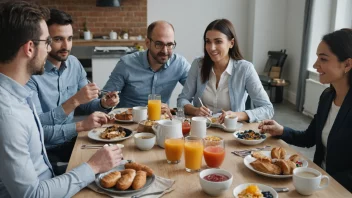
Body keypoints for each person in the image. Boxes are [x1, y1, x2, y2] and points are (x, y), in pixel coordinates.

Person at [0, 1, 123, 197]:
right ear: (30, 48)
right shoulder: (8, 113)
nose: (52, 48)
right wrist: (92, 167)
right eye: (48, 41)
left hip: (51, 174)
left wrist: (101, 104)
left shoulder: (19, 95)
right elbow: (32, 194)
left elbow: (38, 134)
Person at [25, 8, 119, 173]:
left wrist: (103, 103)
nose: (65, 46)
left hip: (72, 139)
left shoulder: (74, 64)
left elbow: (86, 105)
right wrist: (76, 106)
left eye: (69, 39)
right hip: (45, 151)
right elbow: (38, 129)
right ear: (45, 40)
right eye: (58, 39)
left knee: (117, 156)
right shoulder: (31, 74)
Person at [258, 28, 352, 192]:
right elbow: (309, 138)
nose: (316, 65)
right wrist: (281, 130)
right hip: (317, 183)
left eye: (323, 59)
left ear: (347, 64)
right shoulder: (327, 97)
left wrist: (322, 183)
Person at [177, 19, 273, 123]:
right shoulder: (198, 65)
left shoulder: (245, 69)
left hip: (232, 130)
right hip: (201, 129)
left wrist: (237, 115)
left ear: (231, 43)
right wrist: (195, 111)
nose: (211, 48)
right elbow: (182, 100)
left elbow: (267, 109)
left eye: (218, 41)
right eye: (208, 41)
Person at [103, 20, 190, 116]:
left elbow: (196, 91)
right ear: (148, 43)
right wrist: (109, 100)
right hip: (128, 122)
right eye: (159, 44)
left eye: (169, 45)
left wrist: (178, 110)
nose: (165, 51)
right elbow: (104, 98)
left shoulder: (179, 64)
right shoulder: (126, 64)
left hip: (160, 122)